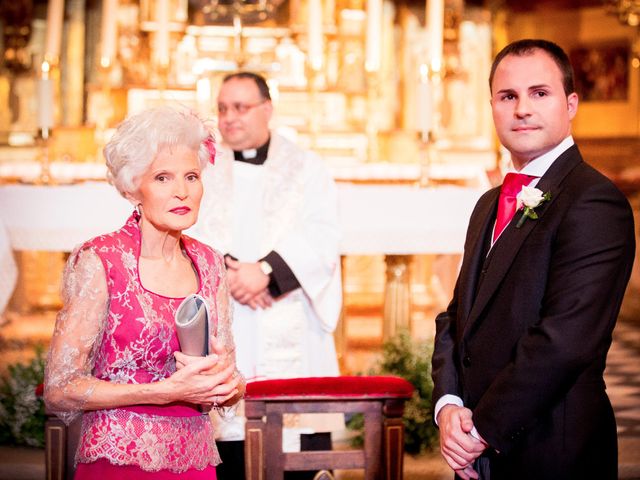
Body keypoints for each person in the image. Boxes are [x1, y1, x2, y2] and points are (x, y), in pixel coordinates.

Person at [431, 39, 635, 480]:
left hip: (552, 448)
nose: (522, 108)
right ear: (493, 107)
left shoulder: (594, 201)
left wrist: (480, 430)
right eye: (508, 96)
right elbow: (456, 317)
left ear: (571, 103)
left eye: (539, 93)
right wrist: (448, 406)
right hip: (478, 448)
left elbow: (564, 340)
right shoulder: (488, 204)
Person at [44, 106, 245, 479]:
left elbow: (227, 384)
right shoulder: (100, 260)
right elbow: (60, 389)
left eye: (191, 176)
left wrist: (229, 383)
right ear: (132, 186)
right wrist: (164, 392)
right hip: (119, 461)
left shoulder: (210, 262)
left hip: (196, 462)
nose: (182, 191)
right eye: (163, 178)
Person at [191, 72, 342, 479]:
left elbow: (323, 232)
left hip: (287, 307)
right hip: (223, 311)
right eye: (222, 108)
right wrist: (229, 272)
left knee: (294, 444)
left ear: (267, 109)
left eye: (241, 107)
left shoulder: (306, 167)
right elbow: (185, 227)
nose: (229, 118)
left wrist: (268, 273)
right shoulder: (199, 168)